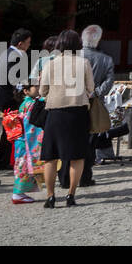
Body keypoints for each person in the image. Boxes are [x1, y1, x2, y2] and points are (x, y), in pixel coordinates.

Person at [38, 30, 94, 209]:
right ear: (77, 44)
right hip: (77, 113)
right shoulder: (83, 63)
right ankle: (71, 194)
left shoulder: (50, 64)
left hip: (55, 113)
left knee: (50, 157)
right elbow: (91, 88)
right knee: (77, 157)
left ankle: (50, 196)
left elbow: (42, 91)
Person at [62, 24, 114, 189]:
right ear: (98, 40)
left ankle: (64, 177)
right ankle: (85, 176)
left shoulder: (71, 57)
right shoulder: (106, 59)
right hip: (92, 103)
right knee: (89, 142)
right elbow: (109, 82)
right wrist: (95, 93)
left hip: (70, 102)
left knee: (68, 138)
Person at [4, 78, 45, 203]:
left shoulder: (28, 102)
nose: (38, 88)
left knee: (23, 167)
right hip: (25, 141)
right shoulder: (29, 104)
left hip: (23, 141)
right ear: (26, 91)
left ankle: (19, 193)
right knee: (23, 167)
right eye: (35, 86)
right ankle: (17, 194)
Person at [0, 29, 32, 174]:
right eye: (28, 43)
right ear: (20, 43)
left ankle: (4, 160)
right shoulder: (14, 57)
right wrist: (27, 90)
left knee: (9, 130)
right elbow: (15, 81)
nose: (29, 46)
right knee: (11, 129)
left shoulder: (7, 53)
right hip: (10, 98)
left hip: (5, 96)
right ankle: (5, 161)